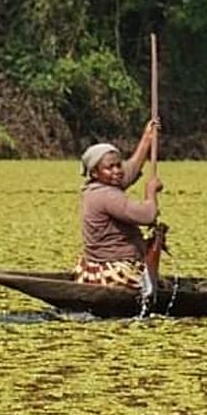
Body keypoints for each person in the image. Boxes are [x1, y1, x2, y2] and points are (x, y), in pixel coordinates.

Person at [74, 119, 162, 289]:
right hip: (115, 270)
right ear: (94, 172)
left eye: (118, 165)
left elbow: (131, 170)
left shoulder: (100, 186)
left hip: (100, 265)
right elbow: (147, 215)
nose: (117, 171)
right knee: (154, 287)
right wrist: (150, 192)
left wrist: (147, 138)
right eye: (110, 167)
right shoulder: (106, 195)